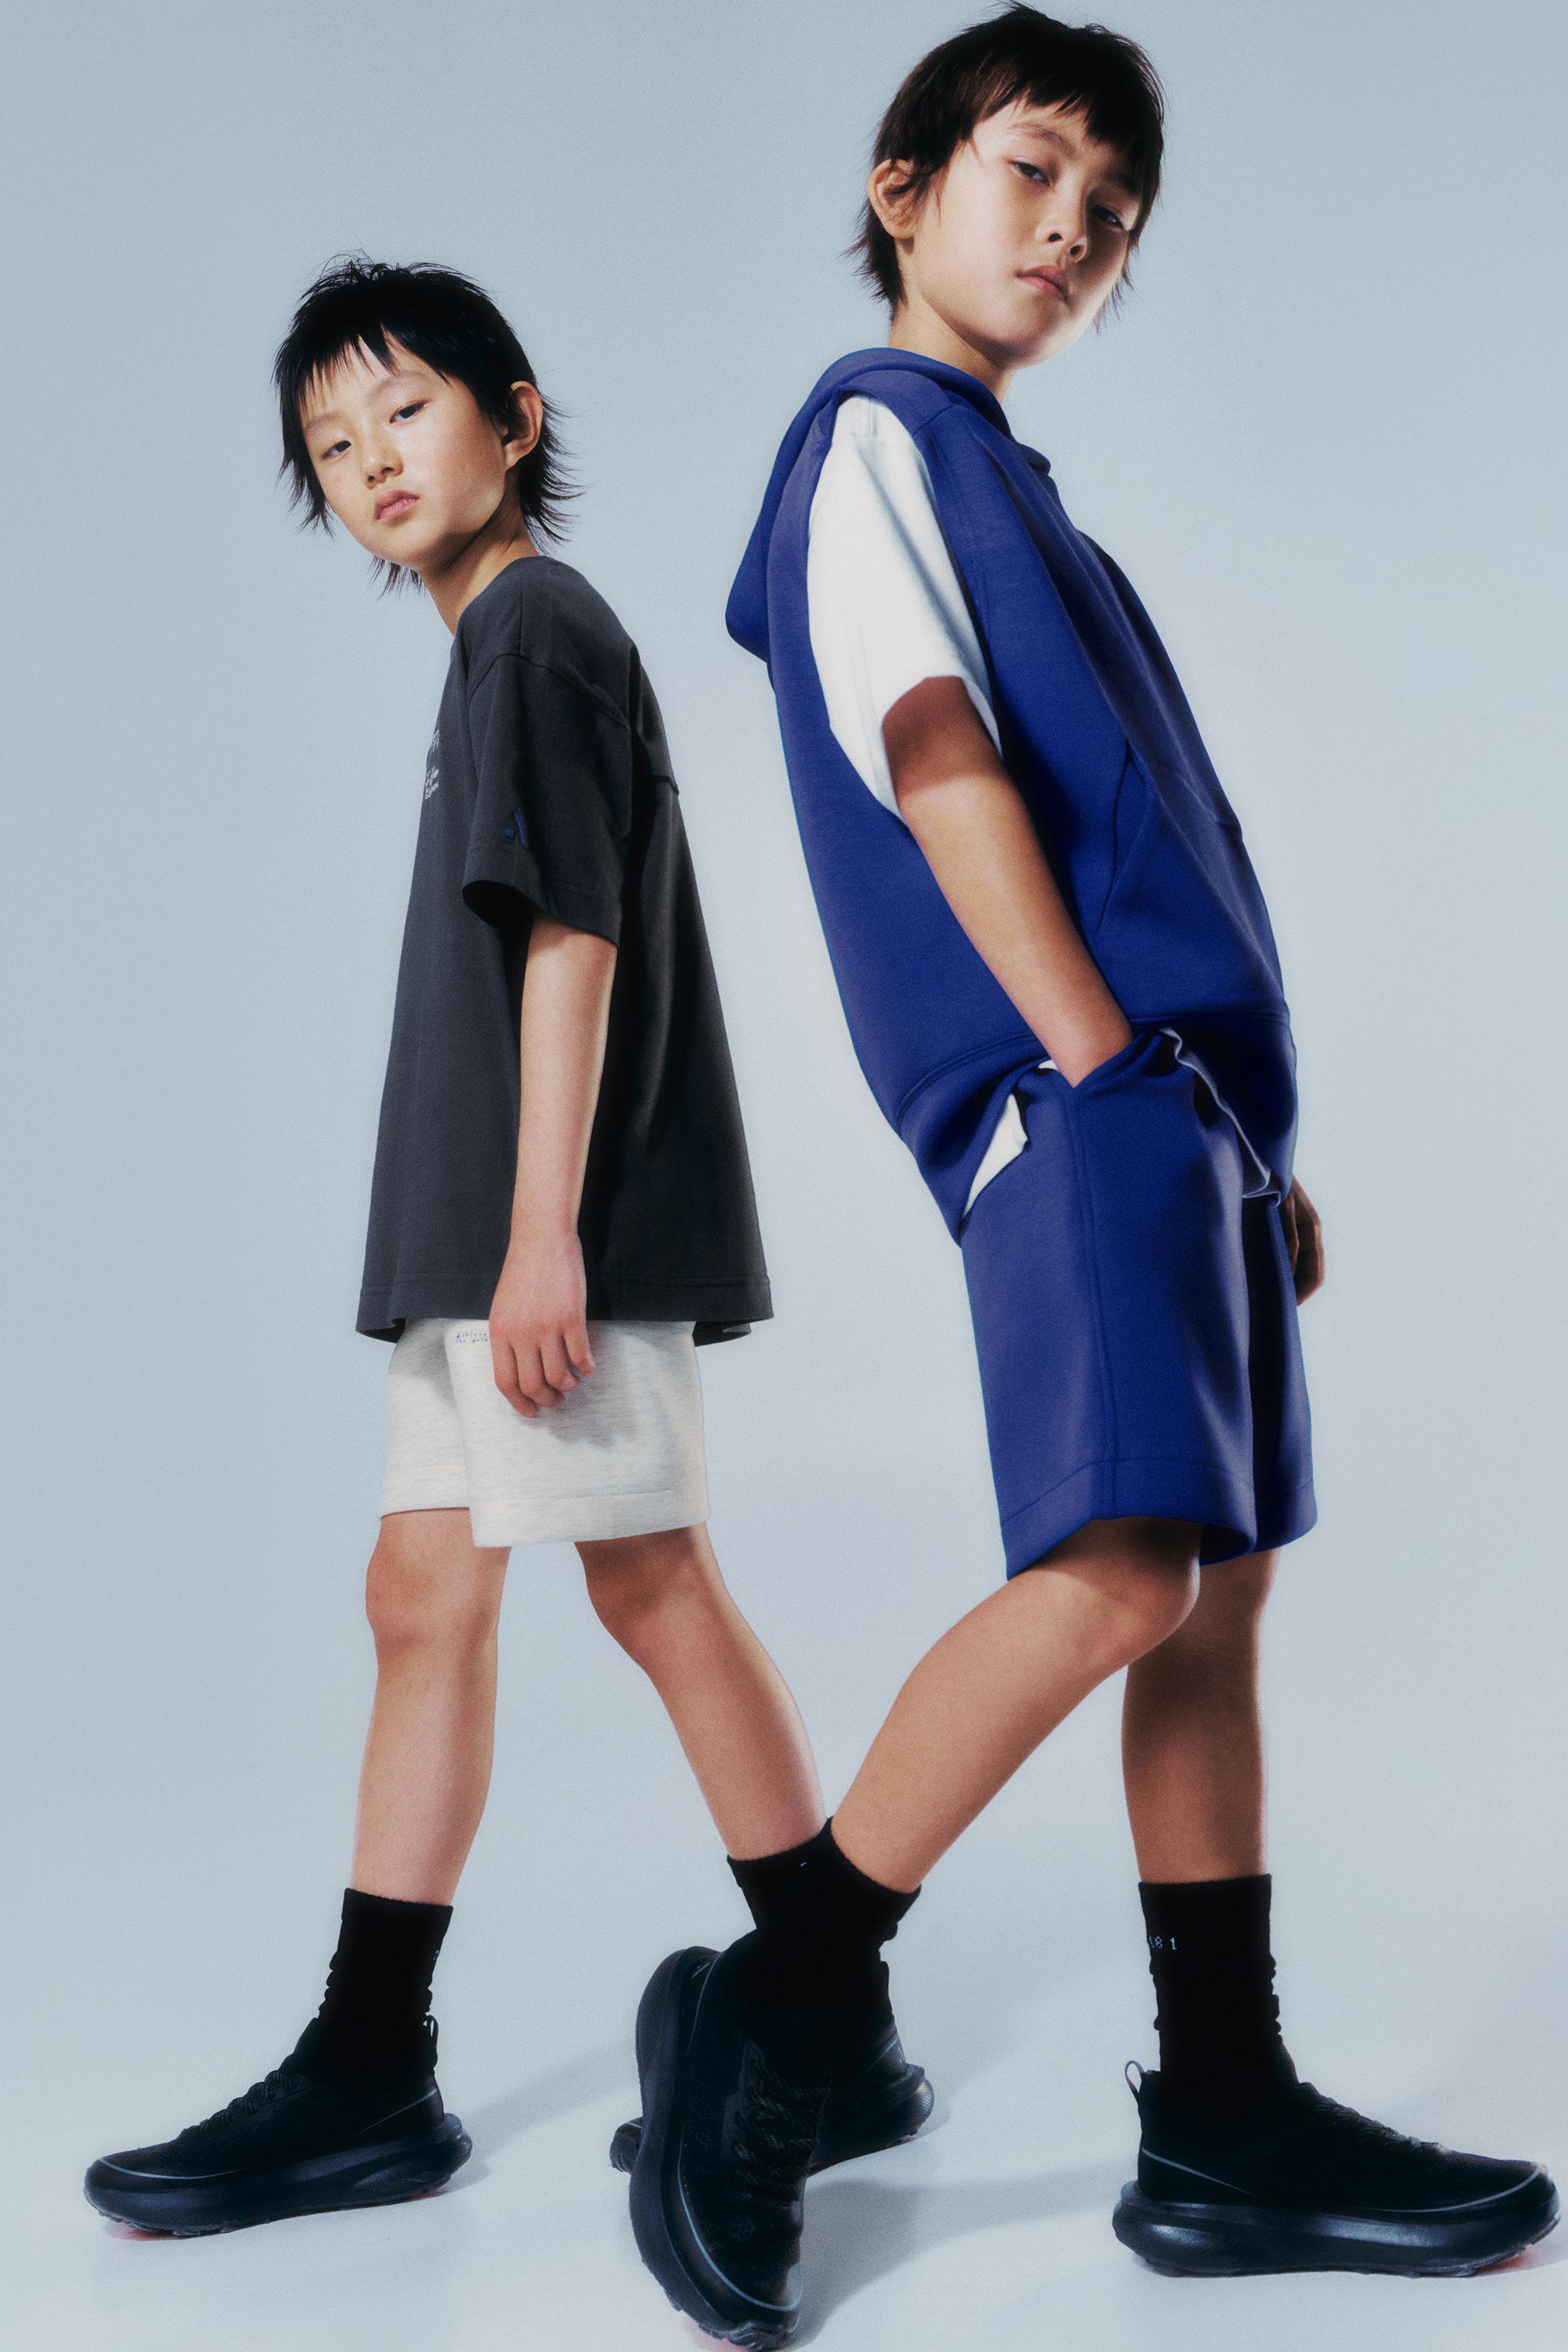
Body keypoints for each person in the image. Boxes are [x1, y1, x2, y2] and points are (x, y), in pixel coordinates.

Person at [625, 13, 1556, 2341]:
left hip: (1184, 1113)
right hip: (1093, 1093)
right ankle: (779, 2007)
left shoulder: (1023, 497)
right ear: (906, 183)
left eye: (1110, 214)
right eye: (1031, 171)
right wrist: (1104, 1064)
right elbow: (933, 755)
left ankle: (1221, 2117)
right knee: (1119, 1571)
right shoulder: (873, 436)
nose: (1069, 230)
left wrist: (1245, 1140)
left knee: (1213, 1592)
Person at [83, 257, 929, 2237]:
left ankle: (829, 2024)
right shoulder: (496, 649)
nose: (373, 459)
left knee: (653, 1587)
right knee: (422, 1595)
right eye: (332, 444)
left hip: (553, 1233)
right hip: (483, 1233)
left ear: (514, 417)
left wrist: (545, 1230)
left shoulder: (538, 626)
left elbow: (575, 936)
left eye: (405, 409)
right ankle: (372, 2066)